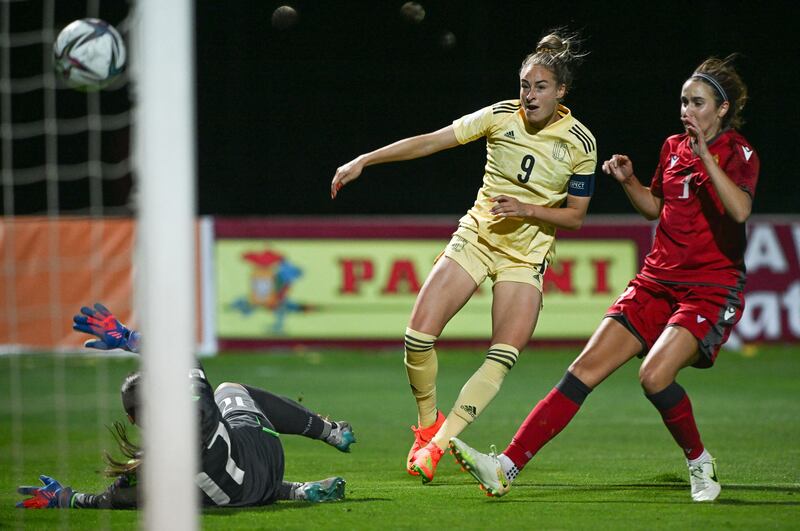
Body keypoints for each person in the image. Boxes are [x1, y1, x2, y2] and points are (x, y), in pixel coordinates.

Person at [450, 54, 759, 502]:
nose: (685, 111)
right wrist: (630, 182)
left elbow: (740, 210)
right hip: (655, 281)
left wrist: (706, 156)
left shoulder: (739, 153)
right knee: (581, 372)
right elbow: (658, 207)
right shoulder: (673, 147)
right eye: (683, 102)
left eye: (696, 103)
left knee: (654, 377)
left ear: (722, 109)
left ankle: (700, 462)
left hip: (710, 289)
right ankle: (506, 467)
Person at [331, 29, 596, 484]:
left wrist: (528, 209)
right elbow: (432, 140)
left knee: (501, 355)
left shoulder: (580, 143)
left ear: (561, 91)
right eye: (525, 86)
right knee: (417, 337)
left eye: (541, 87)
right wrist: (365, 160)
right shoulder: (499, 116)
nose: (529, 96)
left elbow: (574, 217)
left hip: (525, 258)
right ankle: (428, 424)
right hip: (477, 238)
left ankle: (439, 443)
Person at [16, 303, 355, 509]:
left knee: (193, 487)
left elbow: (109, 500)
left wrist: (67, 499)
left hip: (239, 497)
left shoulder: (148, 465)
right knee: (230, 390)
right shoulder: (199, 407)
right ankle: (331, 432)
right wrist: (130, 339)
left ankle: (296, 491)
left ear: (134, 419)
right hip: (266, 461)